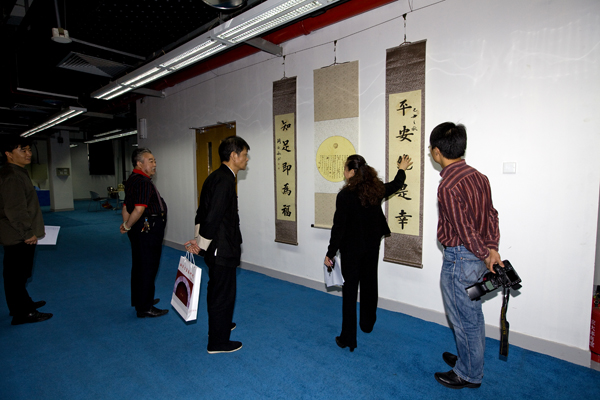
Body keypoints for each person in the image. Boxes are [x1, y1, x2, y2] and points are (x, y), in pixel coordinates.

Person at [429, 122, 502, 389]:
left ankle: (468, 374)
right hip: (479, 256)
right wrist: (491, 249)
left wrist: (484, 252)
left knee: (463, 318)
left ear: (437, 152)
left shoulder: (448, 185)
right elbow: (491, 216)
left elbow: (464, 229)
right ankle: (469, 359)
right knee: (472, 314)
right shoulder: (480, 177)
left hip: (461, 258)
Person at [324, 153, 413, 352]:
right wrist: (402, 169)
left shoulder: (344, 196)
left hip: (351, 250)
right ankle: (367, 323)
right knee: (370, 284)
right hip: (372, 247)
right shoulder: (376, 189)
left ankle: (348, 338)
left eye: (345, 169)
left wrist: (330, 253)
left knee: (349, 292)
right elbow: (395, 185)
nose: (344, 172)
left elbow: (338, 228)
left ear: (352, 172)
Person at [185, 136, 249, 354]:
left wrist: (198, 239)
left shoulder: (214, 177)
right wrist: (200, 245)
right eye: (245, 154)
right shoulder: (224, 181)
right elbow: (211, 217)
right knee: (223, 293)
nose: (247, 159)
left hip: (216, 247)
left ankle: (220, 325)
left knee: (217, 289)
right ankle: (218, 342)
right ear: (234, 156)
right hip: (222, 248)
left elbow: (201, 213)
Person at [0, 137, 52, 325]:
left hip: (15, 233)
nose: (28, 154)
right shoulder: (12, 176)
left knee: (17, 275)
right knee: (16, 275)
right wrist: (27, 232)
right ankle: (23, 313)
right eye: (23, 150)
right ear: (8, 154)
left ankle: (21, 305)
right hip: (17, 235)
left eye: (29, 149)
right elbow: (15, 209)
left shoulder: (16, 172)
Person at [120, 148, 169, 318]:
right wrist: (128, 226)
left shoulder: (132, 179)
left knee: (140, 266)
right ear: (139, 164)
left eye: (155, 161)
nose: (154, 164)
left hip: (140, 229)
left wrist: (127, 225)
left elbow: (126, 206)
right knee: (148, 266)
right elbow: (139, 209)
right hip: (148, 229)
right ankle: (145, 307)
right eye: (150, 161)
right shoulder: (143, 182)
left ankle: (142, 299)